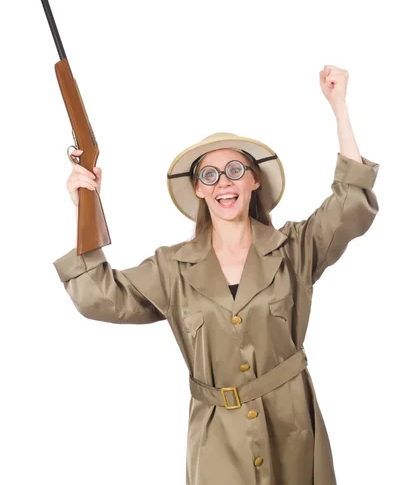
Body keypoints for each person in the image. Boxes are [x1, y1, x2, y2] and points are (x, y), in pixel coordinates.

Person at [53, 65, 380, 484]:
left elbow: (350, 204)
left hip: (292, 429)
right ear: (199, 190)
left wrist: (339, 106)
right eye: (209, 175)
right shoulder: (171, 268)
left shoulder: (293, 249)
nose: (223, 183)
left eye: (235, 171)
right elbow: (98, 295)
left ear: (254, 181)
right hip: (216, 442)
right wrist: (84, 203)